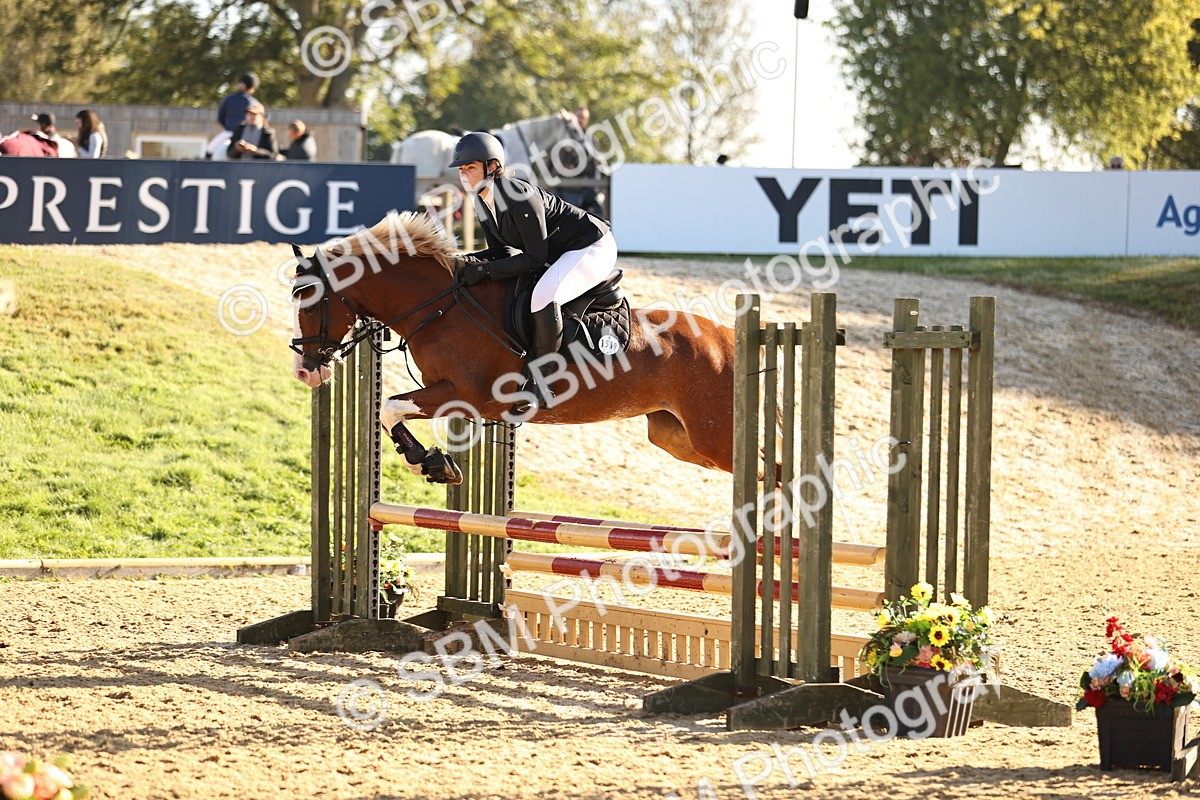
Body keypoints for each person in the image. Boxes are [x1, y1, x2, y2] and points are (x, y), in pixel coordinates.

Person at [450, 131, 616, 412]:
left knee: (543, 295)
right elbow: (500, 253)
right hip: (561, 252)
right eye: (462, 170)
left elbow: (535, 258)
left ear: (492, 167)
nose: (465, 175)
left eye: (471, 168)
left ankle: (543, 379)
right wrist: (459, 264)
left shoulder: (519, 196)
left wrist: (484, 272)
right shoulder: (482, 200)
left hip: (591, 246)